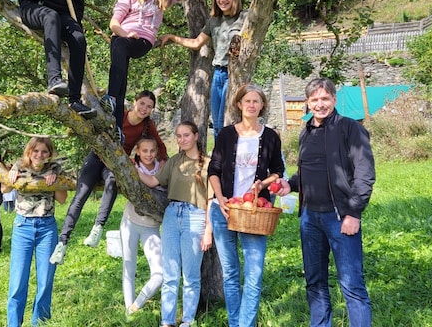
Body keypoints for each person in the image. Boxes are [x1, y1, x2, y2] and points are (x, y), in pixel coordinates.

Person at [275, 77, 376, 327]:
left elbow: (365, 173)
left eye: (325, 98)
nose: (320, 104)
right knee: (315, 282)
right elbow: (311, 169)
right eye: (315, 99)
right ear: (307, 103)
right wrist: (292, 184)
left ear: (334, 99)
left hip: (339, 217)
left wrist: (354, 213)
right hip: (309, 218)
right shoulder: (306, 132)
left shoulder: (350, 129)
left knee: (352, 284)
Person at [50, 90, 169, 264]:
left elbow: (161, 147)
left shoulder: (147, 125)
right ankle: (62, 242)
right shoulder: (119, 115)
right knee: (81, 195)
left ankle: (98, 227)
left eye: (149, 106)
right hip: (97, 158)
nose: (144, 108)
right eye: (142, 103)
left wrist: (165, 164)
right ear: (135, 102)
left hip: (115, 163)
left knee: (113, 180)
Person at [206, 84, 285, 327]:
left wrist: (263, 185)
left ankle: (246, 324)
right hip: (225, 211)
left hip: (254, 212)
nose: (251, 105)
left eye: (256, 101)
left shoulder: (270, 136)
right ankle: (234, 323)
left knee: (254, 274)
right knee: (230, 274)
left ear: (262, 106)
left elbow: (278, 171)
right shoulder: (227, 135)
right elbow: (214, 170)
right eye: (247, 101)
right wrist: (219, 198)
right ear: (238, 104)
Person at [103, 0, 197, 128]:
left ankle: (111, 97)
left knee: (120, 49)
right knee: (120, 75)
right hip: (123, 37)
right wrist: (125, 33)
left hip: (142, 41)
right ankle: (116, 125)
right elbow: (114, 23)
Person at [138, 121, 212, 327]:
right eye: (178, 136)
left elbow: (211, 201)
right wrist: (128, 168)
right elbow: (153, 181)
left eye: (186, 135)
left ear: (196, 136)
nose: (182, 139)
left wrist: (208, 230)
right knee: (170, 274)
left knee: (191, 275)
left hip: (196, 217)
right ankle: (167, 321)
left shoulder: (208, 163)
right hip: (172, 216)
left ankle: (187, 320)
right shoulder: (173, 161)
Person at [159, 0, 247, 138]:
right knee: (218, 124)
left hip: (234, 74)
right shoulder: (214, 21)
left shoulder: (245, 17)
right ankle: (218, 158)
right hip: (218, 74)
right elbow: (196, 43)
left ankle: (229, 155)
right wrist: (173, 37)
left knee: (228, 119)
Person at [3, 137, 68, 327]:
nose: (39, 155)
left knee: (46, 279)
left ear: (49, 153)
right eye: (36, 151)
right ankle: (14, 323)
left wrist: (55, 183)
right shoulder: (19, 166)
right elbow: (4, 188)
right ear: (29, 151)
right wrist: (11, 175)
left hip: (46, 227)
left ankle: (39, 322)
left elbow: (62, 199)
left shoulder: (55, 168)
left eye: (44, 152)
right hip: (23, 226)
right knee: (18, 280)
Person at [122, 137, 166, 317]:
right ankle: (128, 310)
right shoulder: (132, 167)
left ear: (157, 151)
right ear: (138, 151)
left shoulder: (163, 167)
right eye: (144, 151)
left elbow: (156, 183)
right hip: (130, 222)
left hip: (151, 226)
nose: (149, 154)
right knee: (128, 267)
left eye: (152, 151)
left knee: (160, 274)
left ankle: (136, 305)